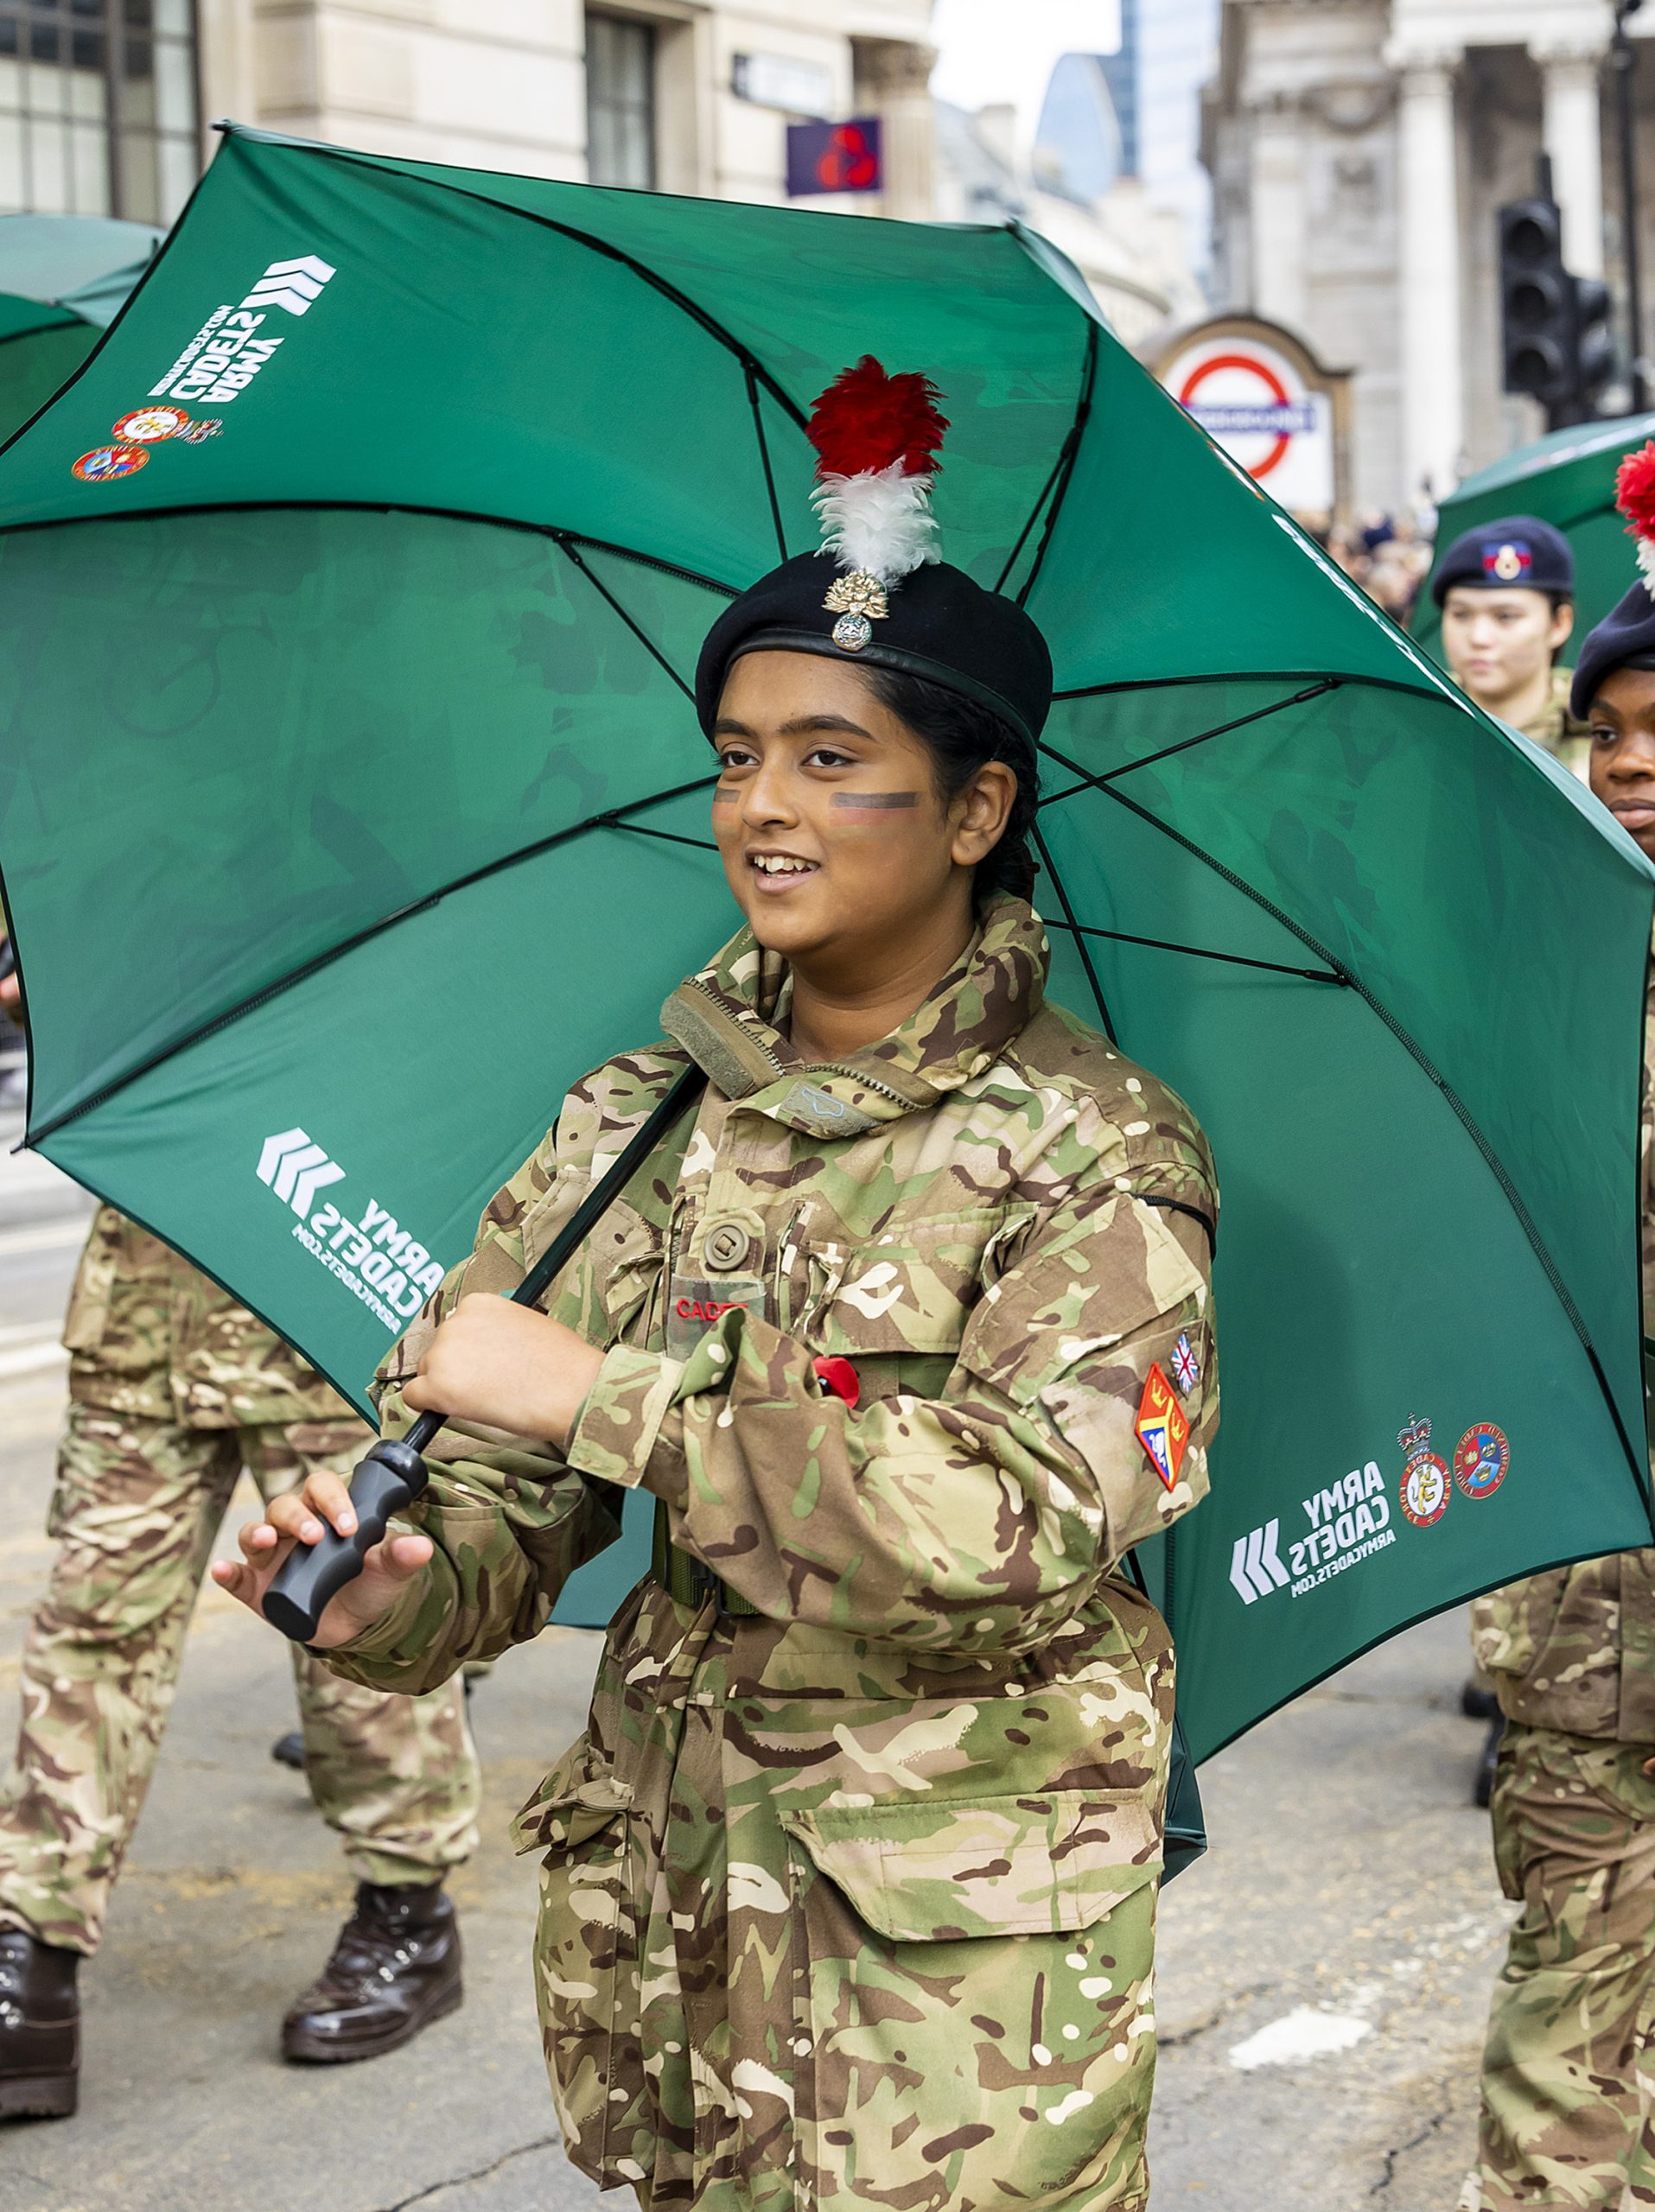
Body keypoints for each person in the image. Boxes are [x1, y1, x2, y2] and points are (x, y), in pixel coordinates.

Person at [214, 358, 1220, 2210]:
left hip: (951, 1993)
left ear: (976, 805)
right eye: (737, 754)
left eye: (832, 760)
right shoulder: (637, 1110)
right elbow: (506, 1493)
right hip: (682, 1933)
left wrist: (596, 1397)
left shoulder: (1095, 1144)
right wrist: (399, 1597)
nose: (762, 804)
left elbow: (1022, 1515)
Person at [0, 944, 481, 2120]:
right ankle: (31, 1958)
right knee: (89, 1629)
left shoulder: (358, 864)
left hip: (319, 1295)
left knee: (348, 1632)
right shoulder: (141, 868)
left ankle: (407, 1914)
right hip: (144, 1318)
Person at [1459, 504, 1655, 2212]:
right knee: (1574, 2026)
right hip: (1591, 1605)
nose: (1633, 761)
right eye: (1609, 729)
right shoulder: (1543, 966)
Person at [1432, 514, 1588, 772]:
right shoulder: (1413, 724)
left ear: (1559, 623)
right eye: (1461, 614)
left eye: (1506, 616)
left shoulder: (1603, 733)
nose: (1478, 638)